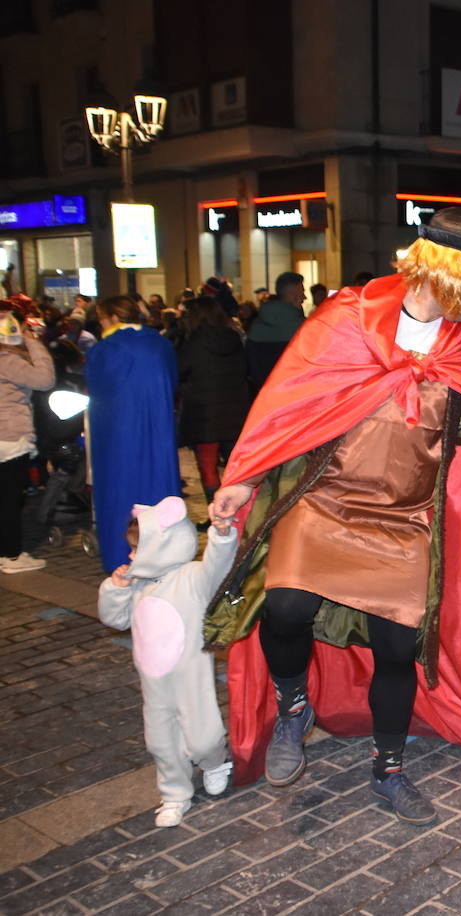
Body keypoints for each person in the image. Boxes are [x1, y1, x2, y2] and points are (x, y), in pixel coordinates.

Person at [205, 203, 461, 825]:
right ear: (446, 270)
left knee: (394, 646)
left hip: (405, 515)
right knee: (284, 608)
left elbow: (460, 430)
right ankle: (293, 702)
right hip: (325, 498)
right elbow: (289, 404)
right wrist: (242, 478)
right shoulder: (348, 318)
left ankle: (389, 770)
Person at [97, 498, 235, 826]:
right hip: (154, 681)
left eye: (136, 548)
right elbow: (114, 619)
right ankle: (174, 794)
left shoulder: (191, 577)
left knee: (203, 736)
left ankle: (215, 761)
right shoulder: (138, 584)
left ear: (161, 546)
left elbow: (218, 566)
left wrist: (221, 535)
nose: (131, 556)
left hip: (191, 675)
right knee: (160, 741)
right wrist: (114, 588)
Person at [87, 296, 180, 572]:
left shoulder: (106, 349)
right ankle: (164, 553)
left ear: (113, 318)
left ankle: (121, 556)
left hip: (118, 434)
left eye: (102, 318)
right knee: (158, 489)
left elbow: (95, 385)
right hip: (158, 431)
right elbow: (173, 382)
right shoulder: (160, 343)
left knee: (120, 490)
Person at [177, 297, 254, 506]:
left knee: (208, 466)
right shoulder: (234, 338)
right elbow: (245, 370)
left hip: (205, 415)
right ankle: (239, 512)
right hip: (235, 412)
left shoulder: (194, 342)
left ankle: (216, 513)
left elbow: (181, 370)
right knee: (234, 466)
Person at [0, 302, 55, 573]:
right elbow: (44, 379)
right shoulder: (7, 360)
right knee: (11, 497)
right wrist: (33, 343)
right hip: (9, 436)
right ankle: (11, 555)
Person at [245, 272, 306, 389]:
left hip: (264, 396)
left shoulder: (255, 328)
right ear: (291, 295)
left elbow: (251, 368)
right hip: (295, 394)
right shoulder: (304, 329)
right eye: (302, 292)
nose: (304, 297)